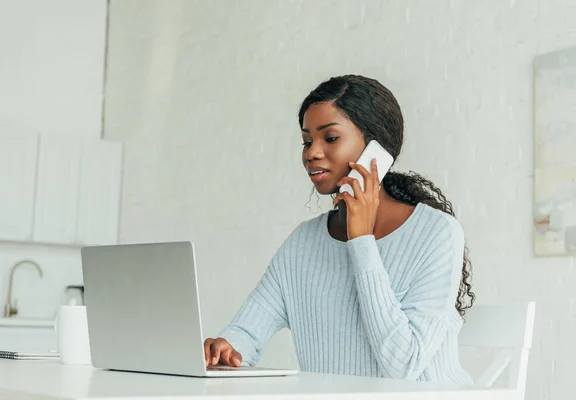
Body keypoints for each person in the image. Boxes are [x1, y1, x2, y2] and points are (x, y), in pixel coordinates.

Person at [203, 75, 475, 384]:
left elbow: (403, 365)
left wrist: (361, 240)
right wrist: (226, 348)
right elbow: (248, 331)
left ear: (377, 150)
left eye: (330, 138)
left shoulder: (436, 233)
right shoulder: (302, 244)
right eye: (307, 141)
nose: (311, 153)